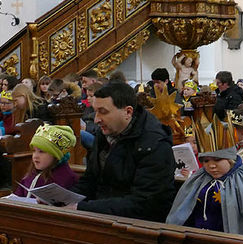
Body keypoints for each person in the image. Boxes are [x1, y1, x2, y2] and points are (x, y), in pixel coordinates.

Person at [70, 82, 177, 220]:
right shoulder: (105, 133)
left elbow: (145, 204)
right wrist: (62, 199)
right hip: (104, 215)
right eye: (95, 111)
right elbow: (90, 180)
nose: (96, 119)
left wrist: (83, 207)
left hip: (139, 228)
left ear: (128, 112)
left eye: (103, 112)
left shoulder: (155, 144)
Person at [166, 113, 243, 236]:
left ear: (229, 159)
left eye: (217, 160)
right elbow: (182, 210)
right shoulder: (199, 178)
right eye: (206, 161)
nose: (211, 166)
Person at [10, 124, 79, 199]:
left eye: (41, 152)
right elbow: (18, 195)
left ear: (55, 155)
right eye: (34, 151)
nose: (35, 156)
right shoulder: (31, 174)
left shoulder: (67, 178)